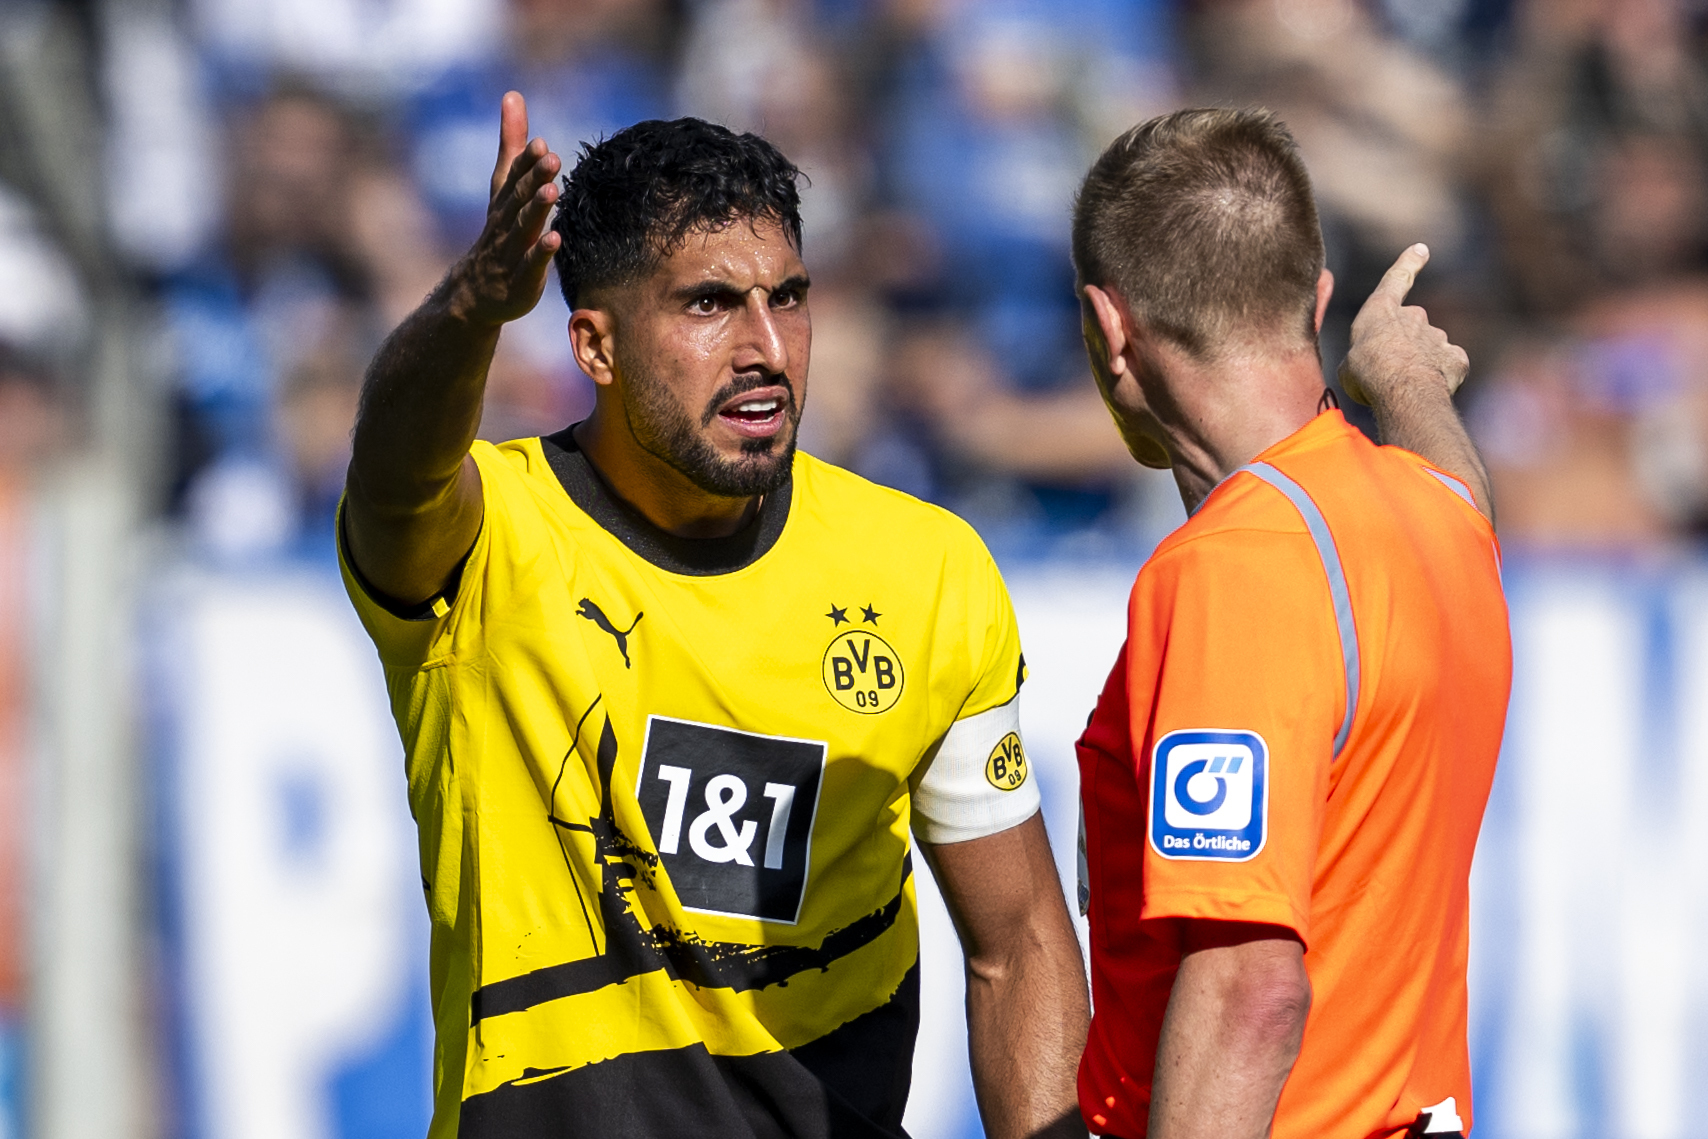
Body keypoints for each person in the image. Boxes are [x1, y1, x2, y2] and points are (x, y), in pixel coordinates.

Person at [338, 93, 1091, 1138]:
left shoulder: (924, 571)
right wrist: (472, 304)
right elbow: (391, 479)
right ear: (593, 346)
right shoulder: (492, 540)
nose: (766, 347)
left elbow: (1019, 941)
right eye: (706, 305)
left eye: (788, 297)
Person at [1069, 109, 1511, 1139]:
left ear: (1109, 326)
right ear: (1315, 301)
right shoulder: (1438, 516)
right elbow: (1462, 485)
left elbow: (1249, 993)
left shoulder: (1234, 569)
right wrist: (1400, 376)